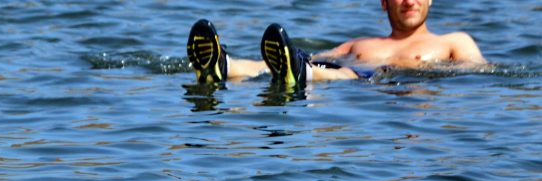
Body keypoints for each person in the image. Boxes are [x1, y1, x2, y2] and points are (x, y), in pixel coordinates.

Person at [187, 0, 487, 88]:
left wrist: (418, 68)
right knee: (299, 64)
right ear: (384, 3)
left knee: (341, 74)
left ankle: (303, 75)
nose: (409, 1)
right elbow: (313, 57)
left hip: (377, 83)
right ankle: (226, 66)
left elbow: (479, 74)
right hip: (342, 72)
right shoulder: (359, 43)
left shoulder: (453, 41)